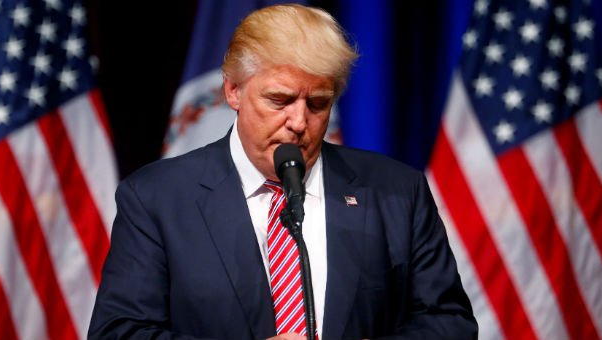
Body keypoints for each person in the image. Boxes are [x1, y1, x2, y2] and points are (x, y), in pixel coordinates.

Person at [88, 4, 477, 340]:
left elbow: (450, 323)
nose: (298, 121)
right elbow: (120, 331)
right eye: (280, 99)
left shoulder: (396, 191)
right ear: (234, 91)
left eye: (318, 103)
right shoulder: (156, 197)